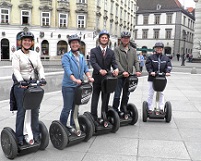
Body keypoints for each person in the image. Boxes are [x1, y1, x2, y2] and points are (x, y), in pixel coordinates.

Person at [12, 31, 46, 146]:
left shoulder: (35, 54)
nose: (27, 42)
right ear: (21, 42)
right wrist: (21, 81)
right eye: (25, 40)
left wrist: (42, 78)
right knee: (22, 111)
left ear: (32, 42)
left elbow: (40, 67)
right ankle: (19, 137)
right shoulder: (16, 54)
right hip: (21, 86)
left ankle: (36, 134)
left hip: (33, 84)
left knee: (35, 110)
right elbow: (16, 70)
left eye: (29, 40)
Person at [59, 34, 94, 127]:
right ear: (70, 44)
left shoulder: (81, 56)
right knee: (67, 108)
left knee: (75, 108)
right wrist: (74, 79)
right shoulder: (66, 56)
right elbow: (67, 70)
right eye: (73, 43)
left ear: (79, 44)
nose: (75, 44)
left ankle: (73, 125)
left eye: (77, 43)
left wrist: (89, 77)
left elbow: (86, 68)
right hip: (68, 86)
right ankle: (61, 127)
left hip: (79, 86)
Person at [90, 30, 119, 121]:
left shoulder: (111, 52)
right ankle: (94, 117)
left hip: (107, 79)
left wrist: (116, 69)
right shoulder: (94, 51)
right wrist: (99, 70)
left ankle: (104, 115)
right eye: (102, 37)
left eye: (106, 38)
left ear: (108, 40)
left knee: (106, 97)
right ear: (99, 39)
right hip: (97, 78)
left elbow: (114, 62)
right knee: (95, 97)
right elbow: (93, 62)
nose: (104, 39)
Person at [112, 31, 141, 113]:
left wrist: (138, 70)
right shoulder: (117, 49)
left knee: (126, 93)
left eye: (127, 38)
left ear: (129, 39)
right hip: (120, 76)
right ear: (121, 39)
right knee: (117, 94)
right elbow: (116, 62)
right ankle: (115, 109)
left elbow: (136, 61)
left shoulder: (133, 50)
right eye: (124, 38)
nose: (125, 39)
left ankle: (123, 108)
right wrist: (123, 71)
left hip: (129, 76)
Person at [145, 42, 172, 114]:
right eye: (157, 48)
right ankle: (149, 108)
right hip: (152, 78)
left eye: (160, 48)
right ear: (155, 49)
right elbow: (148, 65)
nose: (159, 49)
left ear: (162, 49)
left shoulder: (166, 58)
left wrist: (168, 71)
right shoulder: (151, 58)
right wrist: (151, 71)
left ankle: (161, 108)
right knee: (151, 93)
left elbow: (169, 66)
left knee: (161, 93)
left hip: (162, 78)